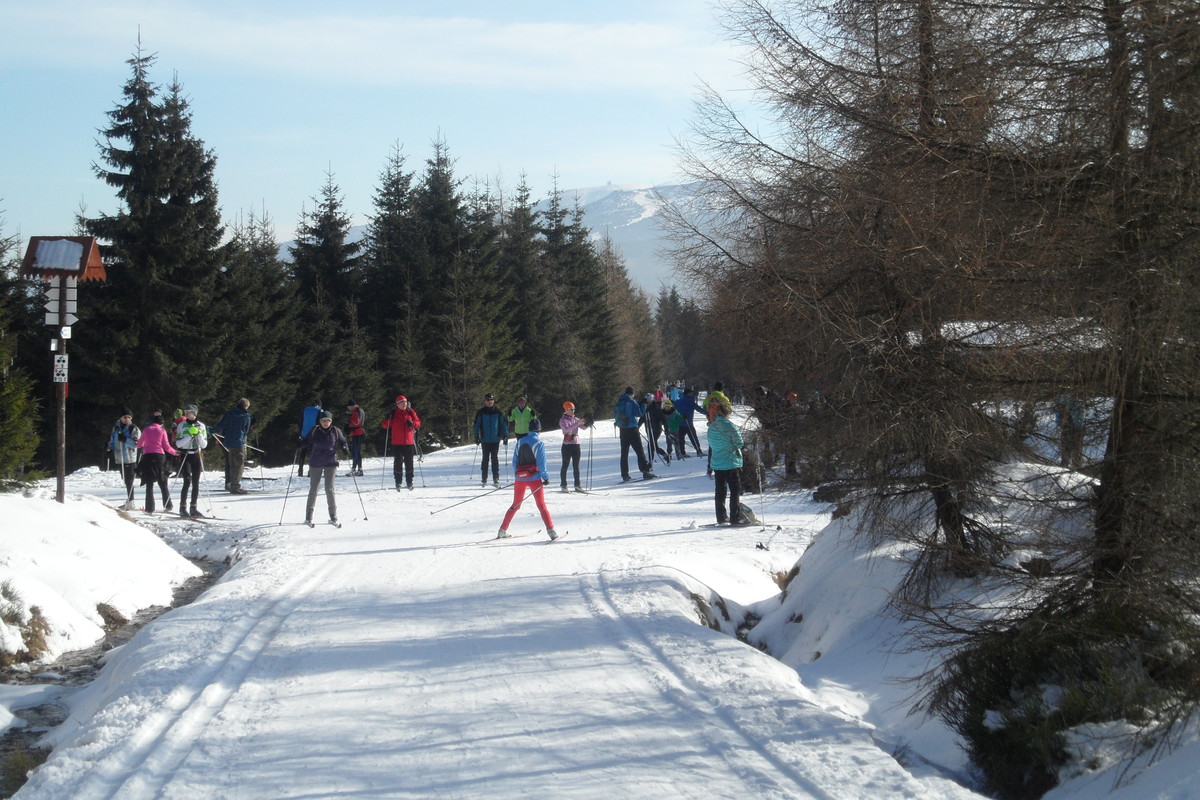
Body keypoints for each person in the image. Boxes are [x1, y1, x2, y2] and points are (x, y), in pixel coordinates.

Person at [497, 419, 558, 540]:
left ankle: (502, 530)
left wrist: (517, 476)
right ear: (539, 430)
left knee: (515, 505)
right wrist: (545, 477)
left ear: (529, 429)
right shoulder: (539, 443)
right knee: (541, 505)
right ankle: (551, 531)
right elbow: (541, 464)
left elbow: (514, 461)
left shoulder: (520, 442)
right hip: (534, 478)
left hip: (520, 478)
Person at [300, 409, 349, 525]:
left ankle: (333, 517)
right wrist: (299, 444)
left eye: (327, 420)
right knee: (313, 489)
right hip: (315, 462)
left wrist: (345, 448)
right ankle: (308, 517)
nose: (325, 423)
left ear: (331, 421)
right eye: (323, 420)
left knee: (329, 489)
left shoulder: (335, 431)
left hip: (330, 463)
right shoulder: (314, 430)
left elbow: (343, 441)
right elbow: (306, 441)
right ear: (320, 421)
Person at [709, 398, 746, 525]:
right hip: (730, 462)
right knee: (735, 490)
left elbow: (711, 444)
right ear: (727, 413)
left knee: (720, 490)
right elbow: (739, 443)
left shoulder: (712, 427)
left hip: (717, 463)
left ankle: (721, 516)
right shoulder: (730, 426)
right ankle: (735, 517)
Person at [614, 386, 656, 482]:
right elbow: (639, 413)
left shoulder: (619, 402)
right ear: (632, 394)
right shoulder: (632, 402)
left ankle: (625, 475)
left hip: (622, 429)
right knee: (639, 451)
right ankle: (645, 471)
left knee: (624, 453)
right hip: (632, 428)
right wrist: (644, 404)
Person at [137, 411, 176, 514]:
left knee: (149, 483)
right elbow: (166, 446)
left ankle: (149, 508)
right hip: (159, 457)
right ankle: (168, 505)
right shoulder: (162, 431)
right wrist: (175, 452)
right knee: (162, 482)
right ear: (161, 423)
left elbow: (139, 444)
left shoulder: (146, 430)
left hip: (147, 457)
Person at [213, 397, 253, 493]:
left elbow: (221, 426)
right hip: (239, 442)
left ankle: (231, 483)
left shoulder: (229, 414)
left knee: (231, 463)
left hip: (228, 441)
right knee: (239, 464)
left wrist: (211, 430)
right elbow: (246, 431)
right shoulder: (246, 416)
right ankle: (235, 486)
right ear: (246, 406)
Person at [175, 404, 208, 518]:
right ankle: (182, 507)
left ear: (195, 413)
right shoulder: (181, 425)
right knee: (187, 481)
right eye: (186, 412)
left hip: (196, 454)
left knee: (196, 482)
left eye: (189, 412)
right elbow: (178, 444)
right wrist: (189, 435)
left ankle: (193, 507)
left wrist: (198, 435)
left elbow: (204, 444)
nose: (187, 414)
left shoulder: (201, 426)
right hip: (185, 455)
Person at [381, 395, 421, 490]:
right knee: (398, 462)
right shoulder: (393, 413)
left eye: (405, 403)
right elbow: (385, 426)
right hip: (397, 443)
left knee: (409, 463)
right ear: (398, 404)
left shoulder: (411, 412)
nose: (404, 405)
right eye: (402, 403)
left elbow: (418, 422)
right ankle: (398, 482)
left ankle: (409, 482)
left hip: (409, 442)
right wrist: (388, 419)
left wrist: (413, 424)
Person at [472, 393, 509, 487]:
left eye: (491, 400)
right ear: (485, 401)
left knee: (494, 459)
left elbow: (503, 424)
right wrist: (476, 436)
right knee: (485, 459)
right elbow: (476, 425)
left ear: (493, 401)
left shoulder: (498, 411)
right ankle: (484, 478)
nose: (490, 402)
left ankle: (496, 478)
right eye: (488, 400)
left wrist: (505, 435)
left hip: (495, 439)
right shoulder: (480, 412)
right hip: (484, 440)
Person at [108, 408, 141, 510]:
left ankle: (131, 501)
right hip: (119, 457)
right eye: (124, 417)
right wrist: (109, 449)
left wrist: (125, 439)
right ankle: (129, 500)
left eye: (129, 417)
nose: (127, 419)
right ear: (120, 418)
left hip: (129, 458)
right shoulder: (116, 428)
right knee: (125, 480)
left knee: (129, 480)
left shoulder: (133, 428)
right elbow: (112, 440)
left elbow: (137, 444)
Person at [559, 401, 590, 492]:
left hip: (576, 444)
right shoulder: (563, 420)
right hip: (567, 445)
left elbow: (583, 427)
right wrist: (578, 423)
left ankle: (577, 485)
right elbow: (566, 429)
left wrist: (588, 422)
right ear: (566, 410)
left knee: (576, 466)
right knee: (565, 465)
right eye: (571, 409)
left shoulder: (576, 419)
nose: (573, 411)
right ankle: (563, 485)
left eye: (573, 409)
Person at [297, 399, 324, 478]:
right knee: (312, 453)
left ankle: (300, 470)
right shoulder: (320, 411)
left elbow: (300, 422)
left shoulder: (304, 410)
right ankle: (311, 471)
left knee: (303, 452)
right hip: (314, 434)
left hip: (304, 434)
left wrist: (300, 433)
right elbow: (321, 423)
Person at [675, 387, 704, 457]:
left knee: (681, 439)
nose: (692, 394)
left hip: (680, 424)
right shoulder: (690, 401)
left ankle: (682, 453)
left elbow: (674, 411)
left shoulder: (678, 401)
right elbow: (698, 409)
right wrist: (707, 413)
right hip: (688, 423)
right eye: (691, 393)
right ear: (688, 393)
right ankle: (698, 451)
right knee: (693, 438)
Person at [345, 400, 366, 476]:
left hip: (357, 433)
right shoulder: (359, 410)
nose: (349, 409)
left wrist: (350, 419)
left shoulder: (356, 411)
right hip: (358, 432)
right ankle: (359, 469)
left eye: (349, 407)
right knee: (357, 451)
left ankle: (355, 469)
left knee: (356, 451)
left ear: (352, 406)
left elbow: (356, 422)